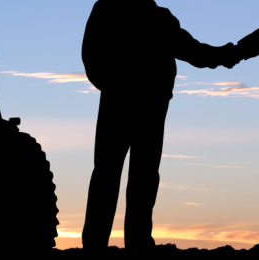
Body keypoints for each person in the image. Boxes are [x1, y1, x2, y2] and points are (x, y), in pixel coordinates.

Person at [81, 0, 243, 251]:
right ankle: (101, 245)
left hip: (143, 105)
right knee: (114, 175)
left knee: (136, 177)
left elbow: (193, 51)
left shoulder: (157, 17)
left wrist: (225, 54)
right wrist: (115, 86)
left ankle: (130, 244)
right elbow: (91, 55)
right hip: (133, 103)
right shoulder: (114, 8)